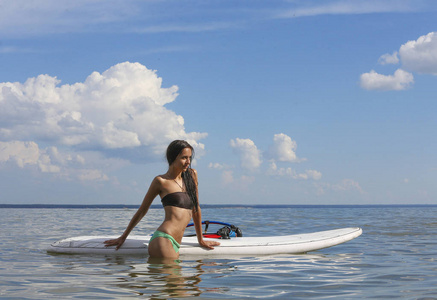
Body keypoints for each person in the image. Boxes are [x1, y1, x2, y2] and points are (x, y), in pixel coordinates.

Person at [104, 140, 220, 259]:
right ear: (172, 157)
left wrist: (200, 239)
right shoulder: (160, 181)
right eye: (184, 158)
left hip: (176, 242)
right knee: (174, 276)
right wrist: (123, 237)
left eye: (190, 158)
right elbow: (142, 210)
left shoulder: (192, 175)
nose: (188, 162)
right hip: (164, 239)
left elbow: (196, 208)